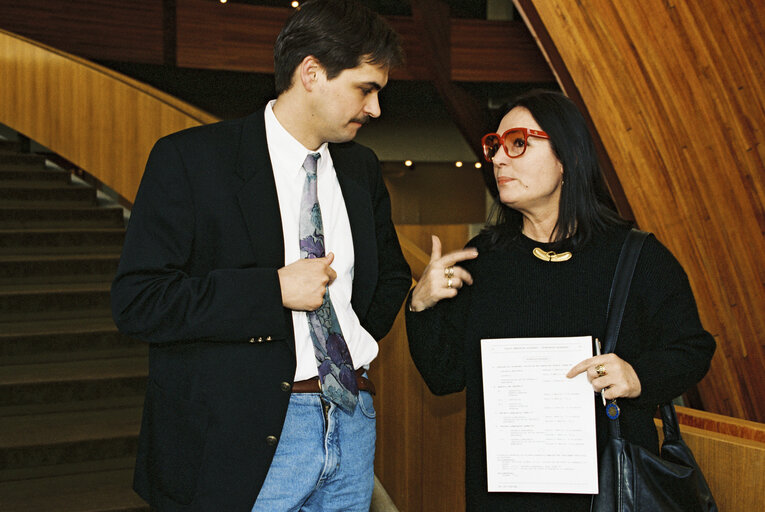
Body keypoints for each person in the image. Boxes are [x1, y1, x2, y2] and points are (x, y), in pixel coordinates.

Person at [111, 1, 411, 510]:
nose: (376, 109)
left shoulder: (360, 168)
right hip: (241, 437)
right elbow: (139, 301)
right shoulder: (191, 159)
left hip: (352, 421)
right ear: (312, 73)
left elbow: (386, 278)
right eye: (366, 88)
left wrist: (349, 362)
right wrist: (271, 291)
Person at [405, 90, 715, 511]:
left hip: (607, 496)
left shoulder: (635, 255)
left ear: (566, 154)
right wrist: (420, 306)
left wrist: (636, 376)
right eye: (494, 146)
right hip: (505, 496)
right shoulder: (485, 259)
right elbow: (444, 378)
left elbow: (693, 349)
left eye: (517, 142)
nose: (497, 159)